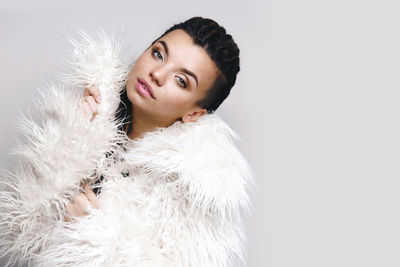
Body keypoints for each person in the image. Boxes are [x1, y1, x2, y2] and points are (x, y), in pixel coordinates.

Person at [0, 17, 253, 267]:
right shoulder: (89, 111)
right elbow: (16, 228)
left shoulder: (192, 197)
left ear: (194, 114)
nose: (157, 73)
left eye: (181, 80)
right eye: (158, 54)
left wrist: (89, 234)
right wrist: (67, 136)